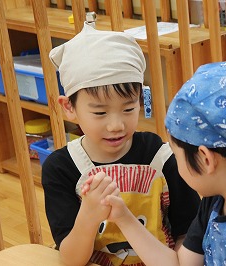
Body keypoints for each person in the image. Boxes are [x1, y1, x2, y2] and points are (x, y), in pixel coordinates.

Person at [82, 62, 226, 265]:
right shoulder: (218, 201)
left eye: (176, 154)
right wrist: (123, 217)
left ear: (205, 159)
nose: (176, 164)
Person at [42, 22, 200, 266]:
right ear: (69, 107)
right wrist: (88, 215)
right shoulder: (61, 168)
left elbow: (187, 236)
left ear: (140, 101)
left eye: (128, 108)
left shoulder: (161, 157)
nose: (116, 125)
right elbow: (71, 259)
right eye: (100, 113)